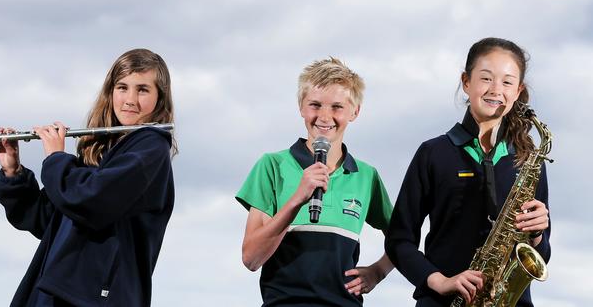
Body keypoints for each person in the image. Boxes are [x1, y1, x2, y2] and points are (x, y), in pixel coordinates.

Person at [0, 48, 176, 306]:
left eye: (142, 89)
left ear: (160, 98)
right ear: (110, 93)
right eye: (122, 88)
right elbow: (47, 220)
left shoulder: (150, 148)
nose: (130, 99)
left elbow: (91, 200)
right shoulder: (99, 147)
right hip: (57, 292)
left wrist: (55, 157)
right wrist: (14, 172)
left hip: (98, 298)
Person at [385, 37, 551, 307]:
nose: (496, 89)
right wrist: (438, 280)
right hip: (442, 301)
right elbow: (399, 241)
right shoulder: (433, 153)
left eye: (507, 82)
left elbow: (541, 255)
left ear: (518, 91)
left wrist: (538, 233)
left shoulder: (528, 161)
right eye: (486, 78)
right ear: (466, 82)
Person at [236, 57, 394, 306]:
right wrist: (298, 198)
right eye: (315, 105)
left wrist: (378, 271)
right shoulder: (272, 166)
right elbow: (251, 259)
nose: (324, 116)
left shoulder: (366, 175)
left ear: (355, 111)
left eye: (337, 107)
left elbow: (402, 235)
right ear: (301, 106)